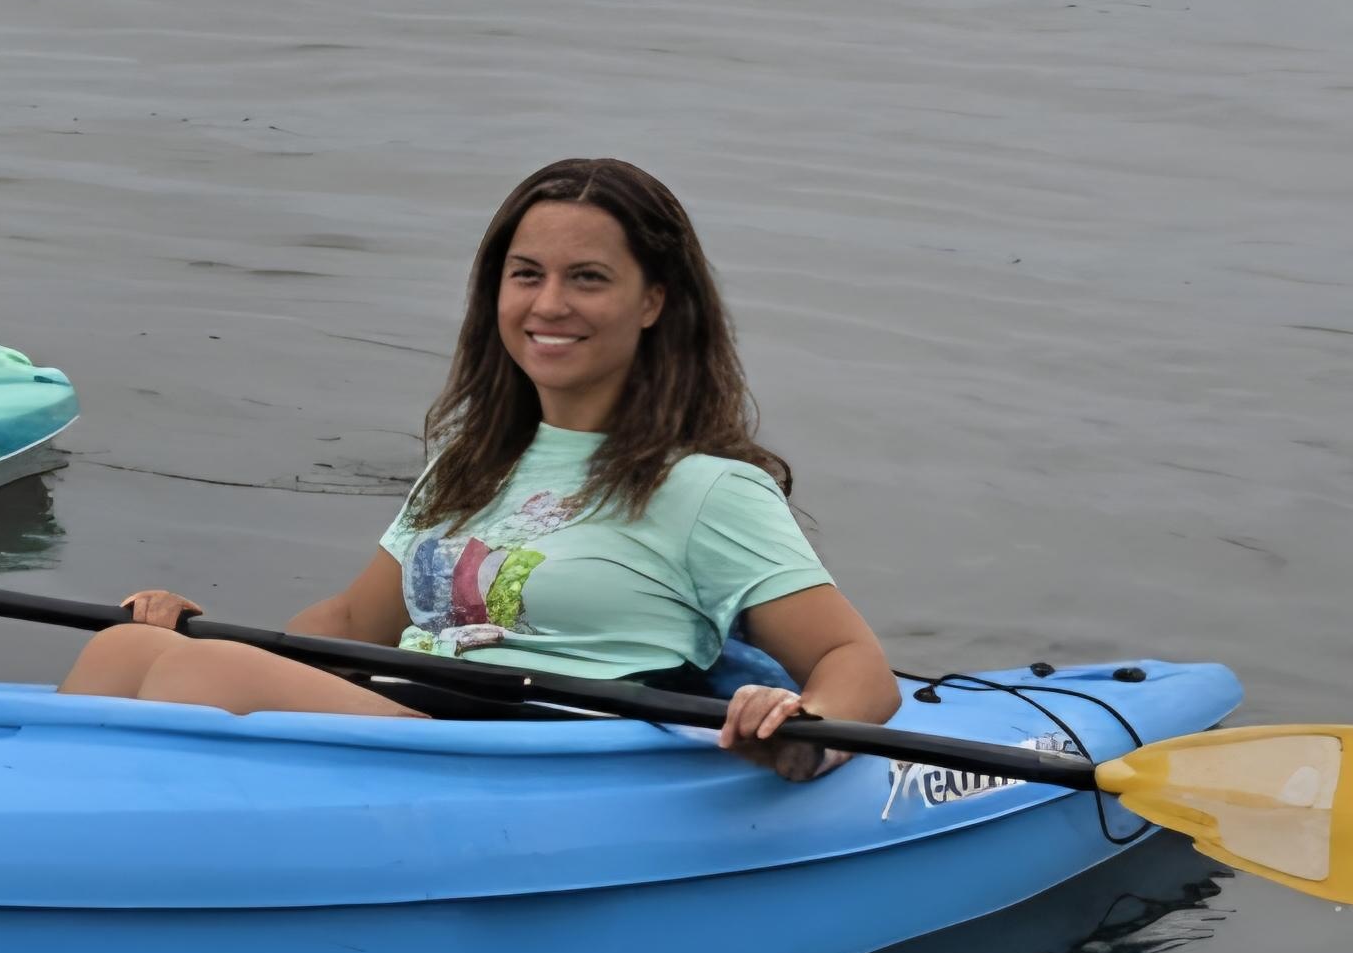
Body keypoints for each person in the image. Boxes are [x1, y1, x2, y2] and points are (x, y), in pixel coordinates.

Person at [62, 158, 898, 777]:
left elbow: (855, 664)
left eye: (589, 279)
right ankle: (20, 824)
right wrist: (201, 627)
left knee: (208, 675)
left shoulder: (707, 488)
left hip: (551, 752)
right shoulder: (472, 463)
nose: (549, 305)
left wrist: (808, 728)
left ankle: (72, 855)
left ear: (654, 302)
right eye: (526, 275)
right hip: (436, 713)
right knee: (126, 650)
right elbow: (356, 626)